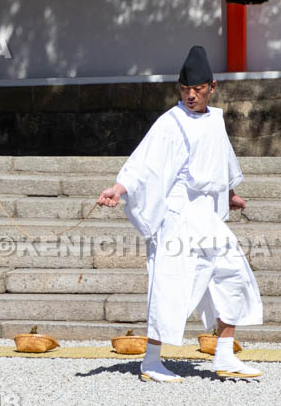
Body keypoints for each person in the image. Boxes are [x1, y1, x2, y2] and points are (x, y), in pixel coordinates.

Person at [96, 46, 263, 382]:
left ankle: (225, 355)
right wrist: (119, 188)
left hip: (206, 215)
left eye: (198, 90)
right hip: (177, 215)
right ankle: (151, 361)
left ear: (212, 87)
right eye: (185, 89)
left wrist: (229, 194)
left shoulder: (215, 120)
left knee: (232, 273)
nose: (190, 95)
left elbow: (222, 161)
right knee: (170, 285)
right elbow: (143, 164)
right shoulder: (168, 123)